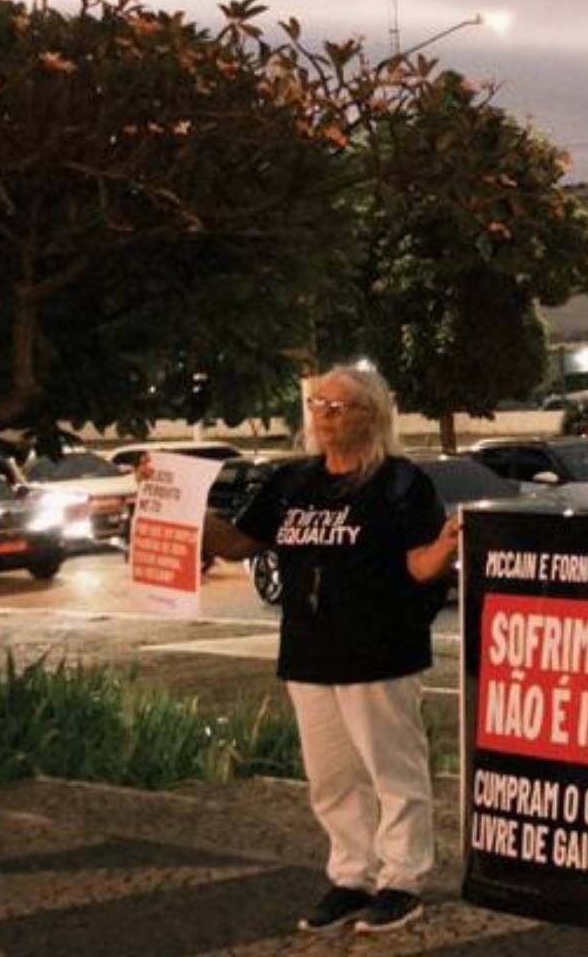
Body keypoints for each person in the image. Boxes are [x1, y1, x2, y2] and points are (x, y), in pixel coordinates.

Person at [199, 366, 460, 935]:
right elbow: (242, 541)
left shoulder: (399, 483)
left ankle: (402, 880)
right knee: (332, 777)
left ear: (374, 416)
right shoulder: (293, 483)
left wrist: (445, 548)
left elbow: (418, 565)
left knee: (393, 770)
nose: (323, 415)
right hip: (310, 652)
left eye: (339, 406)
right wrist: (176, 509)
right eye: (318, 404)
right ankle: (351, 876)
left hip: (379, 650)